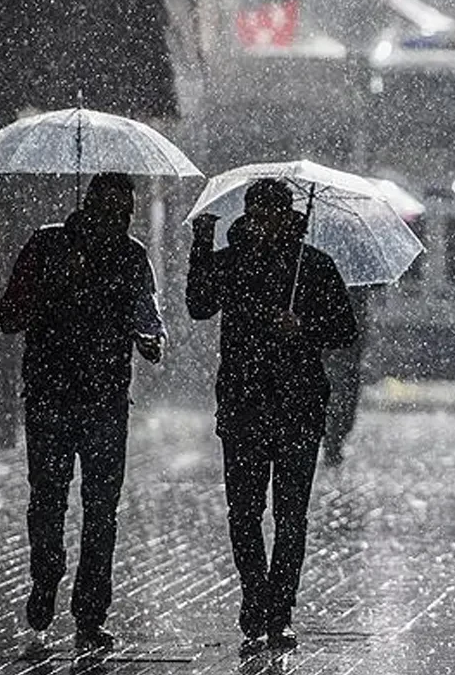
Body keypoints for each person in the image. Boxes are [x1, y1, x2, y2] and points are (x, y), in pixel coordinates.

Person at [186, 179, 358, 655]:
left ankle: (280, 609)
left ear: (288, 217)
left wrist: (303, 326)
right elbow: (199, 305)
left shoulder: (314, 266)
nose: (261, 225)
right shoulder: (232, 261)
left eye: (270, 216)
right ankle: (254, 594)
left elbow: (344, 330)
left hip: (298, 406)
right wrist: (202, 245)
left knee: (290, 515)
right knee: (244, 512)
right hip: (243, 403)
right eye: (255, 215)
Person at [0, 172, 165, 652]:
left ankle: (91, 613)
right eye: (109, 211)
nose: (117, 221)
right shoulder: (47, 246)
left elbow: (149, 319)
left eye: (124, 213)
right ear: (88, 206)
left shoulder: (132, 256)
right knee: (47, 500)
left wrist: (150, 340)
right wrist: (55, 287)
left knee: (101, 511)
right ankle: (47, 574)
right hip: (50, 397)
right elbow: (8, 316)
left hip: (106, 401)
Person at [322, 285, 371, 467]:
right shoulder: (331, 291)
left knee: (344, 404)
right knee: (339, 401)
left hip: (347, 359)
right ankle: (332, 441)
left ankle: (333, 439)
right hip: (337, 357)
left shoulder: (358, 293)